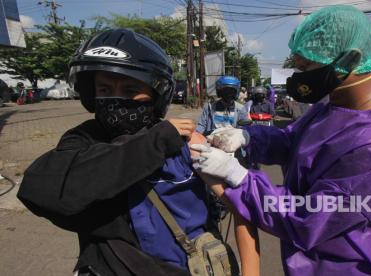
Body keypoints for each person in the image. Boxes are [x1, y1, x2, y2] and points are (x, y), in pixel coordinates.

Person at [191, 5, 371, 276]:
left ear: (347, 60)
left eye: (306, 66)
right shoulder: (333, 105)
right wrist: (247, 137)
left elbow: (307, 217)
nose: (299, 76)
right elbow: (293, 139)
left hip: (338, 267)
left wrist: (237, 176)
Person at [17, 29, 249, 276]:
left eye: (130, 91)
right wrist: (153, 143)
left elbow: (241, 206)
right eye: (105, 90)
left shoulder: (183, 140)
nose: (116, 100)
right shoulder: (87, 139)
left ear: (156, 93)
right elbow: (43, 190)